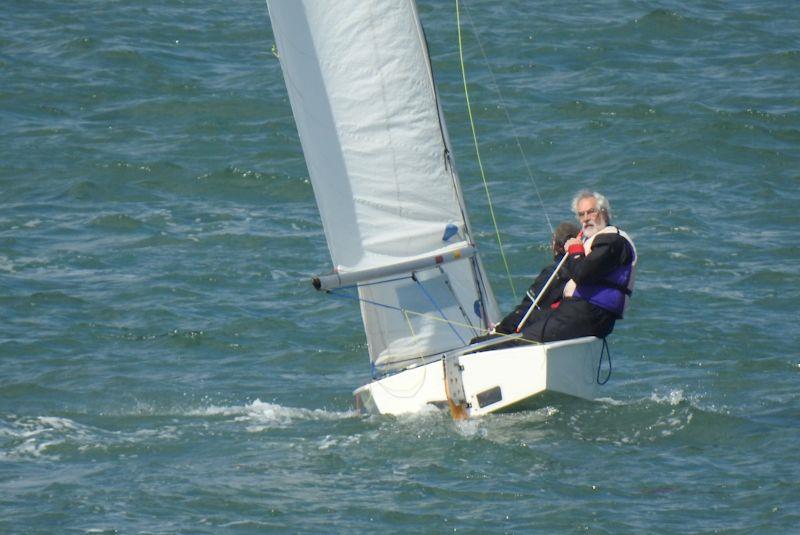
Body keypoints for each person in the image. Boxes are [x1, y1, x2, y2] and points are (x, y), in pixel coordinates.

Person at [516, 189, 637, 343]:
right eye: (581, 214)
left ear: (604, 213)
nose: (586, 218)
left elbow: (582, 274)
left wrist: (575, 249)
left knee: (523, 340)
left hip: (590, 313)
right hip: (576, 310)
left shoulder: (613, 240)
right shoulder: (594, 241)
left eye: (591, 212)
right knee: (526, 322)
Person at [470, 221, 579, 345]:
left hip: (537, 332)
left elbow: (526, 311)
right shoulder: (580, 271)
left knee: (475, 343)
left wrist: (500, 330)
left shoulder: (554, 273)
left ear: (556, 245)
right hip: (564, 331)